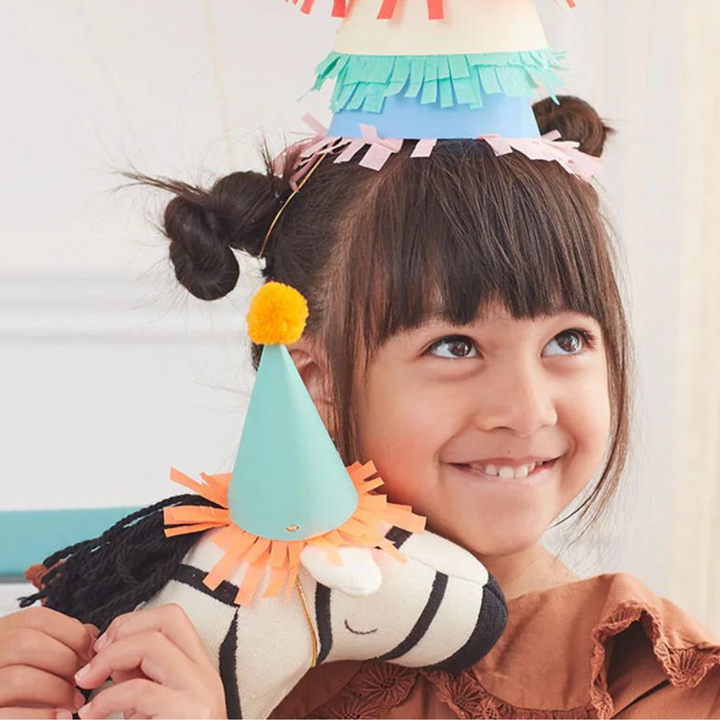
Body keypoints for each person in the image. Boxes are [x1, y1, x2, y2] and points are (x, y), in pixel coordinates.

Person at [2, 97, 719, 719]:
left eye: (567, 339)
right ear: (318, 379)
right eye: (455, 346)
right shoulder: (182, 621)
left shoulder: (640, 679)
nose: (526, 410)